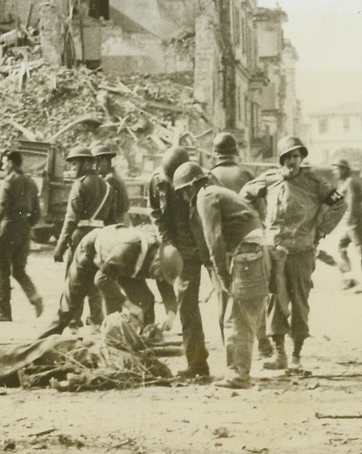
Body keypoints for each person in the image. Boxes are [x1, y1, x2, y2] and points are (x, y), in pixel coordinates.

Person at [240, 135, 342, 372]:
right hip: (275, 250)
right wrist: (257, 222)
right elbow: (244, 195)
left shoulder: (314, 182)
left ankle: (297, 355)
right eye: (288, 157)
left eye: (296, 156)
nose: (292, 161)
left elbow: (338, 203)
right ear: (281, 159)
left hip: (302, 251)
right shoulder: (269, 180)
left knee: (299, 301)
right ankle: (280, 354)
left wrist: (321, 229)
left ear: (302, 158)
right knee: (275, 299)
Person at [173, 162, 269, 389]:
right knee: (241, 315)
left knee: (236, 318)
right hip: (255, 249)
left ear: (192, 186)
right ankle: (239, 372)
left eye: (184, 191)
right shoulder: (217, 192)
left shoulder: (205, 197)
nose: (185, 197)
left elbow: (213, 239)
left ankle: (238, 376)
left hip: (246, 252)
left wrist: (222, 275)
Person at [0, 307, 173, 391]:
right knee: (8, 360)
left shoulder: (112, 344)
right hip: (62, 355)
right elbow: (105, 376)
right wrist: (75, 381)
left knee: (10, 369)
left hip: (63, 352)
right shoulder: (126, 359)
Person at [40, 224, 180, 338]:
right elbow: (101, 279)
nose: (160, 280)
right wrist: (130, 306)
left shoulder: (161, 260)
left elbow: (166, 288)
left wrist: (171, 316)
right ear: (156, 262)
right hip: (90, 253)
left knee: (145, 300)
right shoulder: (130, 248)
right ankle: (39, 347)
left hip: (121, 265)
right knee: (68, 310)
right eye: (159, 275)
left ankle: (143, 343)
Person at [148, 144, 210, 380]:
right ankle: (197, 364)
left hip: (205, 242)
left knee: (228, 305)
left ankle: (235, 364)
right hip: (182, 249)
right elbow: (154, 211)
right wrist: (167, 242)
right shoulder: (156, 181)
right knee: (187, 306)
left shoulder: (202, 178)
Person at [53, 144, 109, 329]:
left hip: (81, 238)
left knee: (74, 281)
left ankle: (72, 320)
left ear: (85, 163)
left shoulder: (80, 184)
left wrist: (60, 246)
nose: (72, 168)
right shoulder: (107, 186)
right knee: (94, 281)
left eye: (75, 164)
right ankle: (95, 321)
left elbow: (71, 219)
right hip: (100, 238)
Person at [0, 148, 44, 322]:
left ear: (11, 163)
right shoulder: (31, 183)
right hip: (24, 229)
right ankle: (34, 296)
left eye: (4, 162)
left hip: (8, 227)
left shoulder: (8, 182)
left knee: (1, 270)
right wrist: (27, 225)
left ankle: (5, 312)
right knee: (19, 270)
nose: (3, 166)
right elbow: (37, 212)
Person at [332, 158, 362, 293]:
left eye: (337, 168)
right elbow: (333, 199)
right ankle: (349, 278)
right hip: (349, 224)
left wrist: (351, 222)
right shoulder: (343, 183)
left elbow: (352, 202)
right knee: (341, 248)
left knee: (360, 251)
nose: (334, 171)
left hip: (354, 223)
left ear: (344, 169)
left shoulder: (350, 183)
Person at [93, 142, 130, 226]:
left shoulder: (110, 180)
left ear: (105, 162)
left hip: (116, 223)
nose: (95, 167)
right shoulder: (112, 176)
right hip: (118, 220)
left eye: (97, 163)